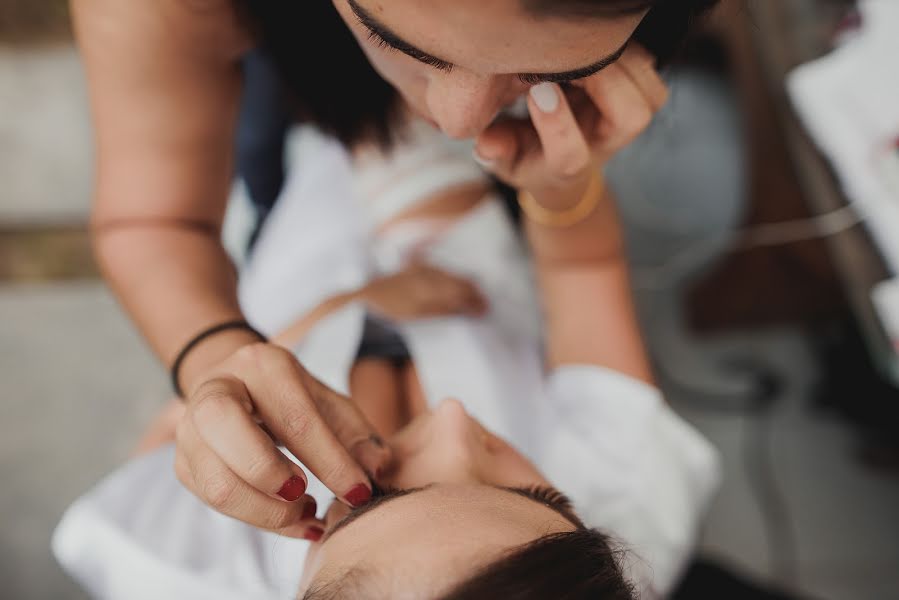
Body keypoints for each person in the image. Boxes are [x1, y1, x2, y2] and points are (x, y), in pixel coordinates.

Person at [71, 0, 719, 554]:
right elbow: (583, 266)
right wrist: (562, 189)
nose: (457, 122)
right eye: (397, 39)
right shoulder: (624, 501)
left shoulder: (195, 562)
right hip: (482, 211)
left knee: (260, 141)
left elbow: (158, 221)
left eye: (371, 502)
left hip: (299, 207)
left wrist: (214, 358)